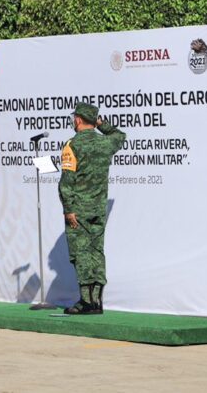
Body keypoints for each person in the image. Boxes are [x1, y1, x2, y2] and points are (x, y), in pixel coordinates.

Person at [58, 102, 125, 314]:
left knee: (81, 253)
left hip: (78, 209)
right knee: (97, 251)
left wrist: (68, 209)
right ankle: (97, 302)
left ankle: (86, 302)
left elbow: (66, 182)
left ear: (78, 119)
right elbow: (120, 136)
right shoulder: (105, 143)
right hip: (98, 208)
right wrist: (101, 124)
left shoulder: (72, 145)